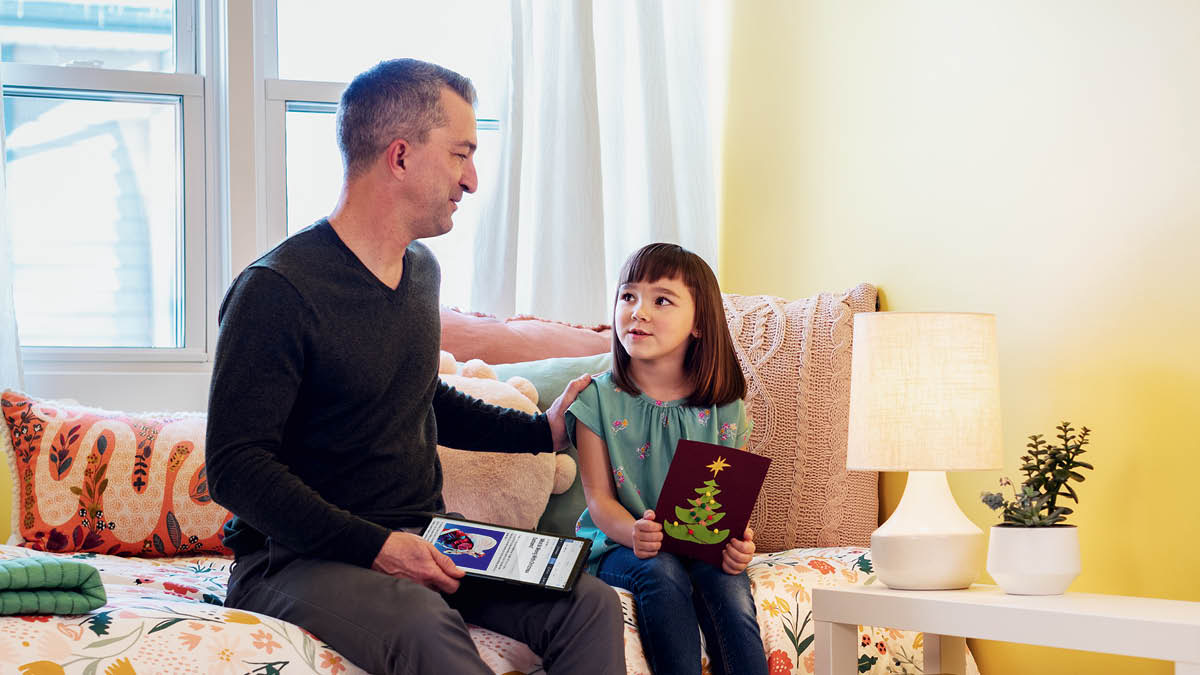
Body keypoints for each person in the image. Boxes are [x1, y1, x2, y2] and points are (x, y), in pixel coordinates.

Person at [205, 59, 624, 675]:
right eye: (461, 154)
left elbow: (417, 397)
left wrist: (542, 432)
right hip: (295, 557)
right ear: (400, 157)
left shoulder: (420, 271)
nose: (473, 179)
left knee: (589, 602)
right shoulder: (276, 290)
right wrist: (377, 548)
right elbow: (235, 469)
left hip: (423, 532)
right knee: (426, 626)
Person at [566, 243, 767, 675]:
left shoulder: (725, 409)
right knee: (660, 571)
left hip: (698, 545)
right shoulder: (595, 400)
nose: (639, 311)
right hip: (619, 545)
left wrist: (739, 543)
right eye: (628, 296)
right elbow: (598, 500)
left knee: (728, 584)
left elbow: (729, 504)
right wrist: (634, 532)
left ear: (699, 324)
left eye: (661, 300)